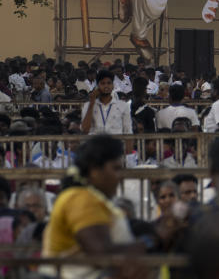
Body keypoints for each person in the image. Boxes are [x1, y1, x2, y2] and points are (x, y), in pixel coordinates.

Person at [43, 136, 146, 276]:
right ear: (94, 170)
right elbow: (101, 255)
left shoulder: (93, 199)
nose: (120, 176)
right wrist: (151, 240)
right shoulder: (80, 199)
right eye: (115, 169)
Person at [80, 70, 131, 135]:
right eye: (103, 83)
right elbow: (85, 130)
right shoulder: (87, 106)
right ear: (97, 86)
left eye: (109, 83)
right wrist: (92, 102)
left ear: (113, 85)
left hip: (115, 144)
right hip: (95, 143)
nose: (106, 86)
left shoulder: (123, 106)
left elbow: (128, 132)